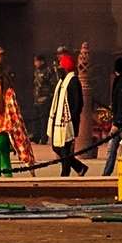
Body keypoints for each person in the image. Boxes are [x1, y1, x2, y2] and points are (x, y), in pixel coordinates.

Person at [43, 47, 85, 178]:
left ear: (66, 68)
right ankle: (79, 167)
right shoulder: (62, 81)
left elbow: (78, 103)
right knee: (57, 147)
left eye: (61, 67)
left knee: (65, 148)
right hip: (59, 121)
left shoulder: (73, 81)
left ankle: (65, 173)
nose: (59, 70)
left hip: (68, 122)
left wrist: (70, 119)